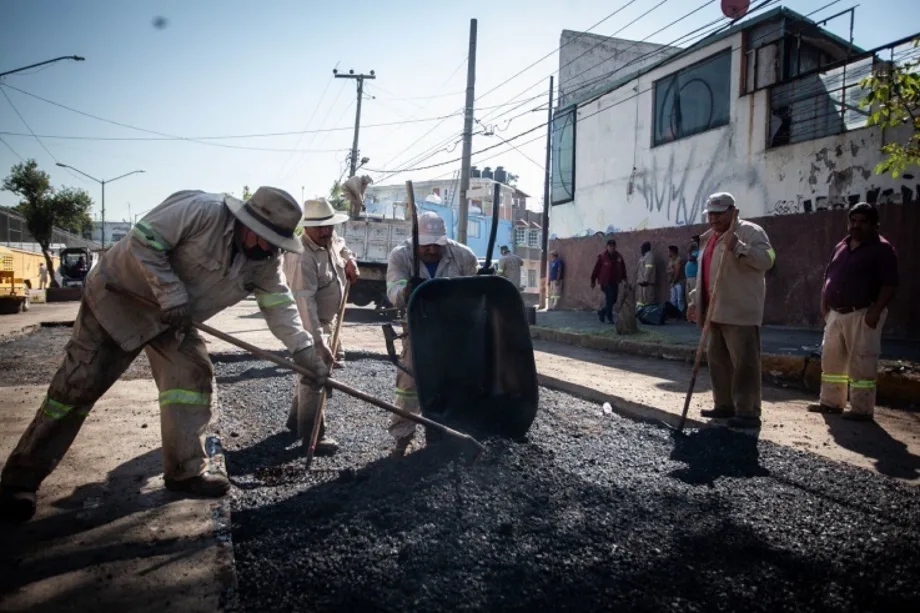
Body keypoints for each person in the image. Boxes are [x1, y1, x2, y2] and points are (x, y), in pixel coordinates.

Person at [0, 187, 329, 522]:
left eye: (278, 242)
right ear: (249, 225)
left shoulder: (265, 260)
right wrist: (171, 293)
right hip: (121, 300)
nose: (273, 248)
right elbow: (144, 239)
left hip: (173, 321)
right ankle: (18, 481)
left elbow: (279, 305)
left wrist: (304, 352)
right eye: (268, 239)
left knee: (192, 378)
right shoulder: (202, 212)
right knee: (76, 387)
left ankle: (185, 472)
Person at [385, 211, 478, 458]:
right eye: (426, 244)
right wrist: (407, 292)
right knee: (408, 386)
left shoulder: (463, 256)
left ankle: (448, 435)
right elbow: (393, 291)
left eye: (437, 244)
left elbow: (474, 294)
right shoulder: (400, 256)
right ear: (415, 240)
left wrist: (482, 282)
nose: (432, 250)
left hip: (453, 331)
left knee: (452, 384)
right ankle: (402, 438)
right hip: (417, 331)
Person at [688, 192, 776, 429]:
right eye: (710, 214)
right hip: (713, 312)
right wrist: (695, 301)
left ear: (732, 211)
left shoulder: (751, 232)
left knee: (744, 364)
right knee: (718, 362)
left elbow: (768, 260)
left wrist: (739, 246)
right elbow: (705, 275)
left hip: (739, 311)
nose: (713, 219)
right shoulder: (709, 239)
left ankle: (748, 411)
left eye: (718, 213)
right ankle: (724, 405)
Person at [808, 202, 898, 421]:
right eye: (853, 221)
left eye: (862, 222)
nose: (856, 226)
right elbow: (828, 275)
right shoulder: (842, 246)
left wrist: (875, 312)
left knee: (862, 362)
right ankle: (831, 403)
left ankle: (861, 409)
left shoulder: (882, 249)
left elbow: (889, 284)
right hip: (836, 314)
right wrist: (825, 305)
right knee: (831, 361)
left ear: (875, 225)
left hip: (863, 313)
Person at [283, 198, 360, 454]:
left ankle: (295, 422)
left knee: (309, 375)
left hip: (330, 320)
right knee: (316, 375)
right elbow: (305, 307)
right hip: (309, 325)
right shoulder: (301, 256)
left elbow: (342, 246)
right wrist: (319, 342)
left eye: (329, 226)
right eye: (320, 228)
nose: (326, 231)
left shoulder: (331, 239)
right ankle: (312, 437)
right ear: (306, 227)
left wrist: (350, 261)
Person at [590, 239, 627, 324]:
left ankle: (602, 312)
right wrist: (592, 281)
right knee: (610, 299)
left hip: (615, 281)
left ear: (615, 246)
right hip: (605, 282)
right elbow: (596, 270)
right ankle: (610, 318)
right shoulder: (602, 257)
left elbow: (623, 269)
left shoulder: (619, 257)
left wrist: (625, 280)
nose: (612, 247)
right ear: (606, 247)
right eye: (610, 246)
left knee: (614, 300)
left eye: (613, 246)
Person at [636, 241, 656, 308]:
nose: (641, 250)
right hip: (641, 283)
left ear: (646, 248)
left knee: (647, 301)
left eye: (642, 248)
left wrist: (645, 280)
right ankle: (640, 315)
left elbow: (648, 269)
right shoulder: (643, 257)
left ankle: (648, 316)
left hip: (647, 284)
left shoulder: (649, 256)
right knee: (640, 302)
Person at [667, 245, 685, 316]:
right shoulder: (671, 260)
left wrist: (674, 281)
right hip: (672, 283)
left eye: (669, 251)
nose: (668, 253)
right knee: (673, 300)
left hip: (678, 282)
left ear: (672, 251)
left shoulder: (678, 260)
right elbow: (668, 270)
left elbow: (677, 272)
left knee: (680, 299)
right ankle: (674, 314)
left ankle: (681, 314)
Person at [685, 236, 700, 313]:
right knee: (688, 297)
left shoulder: (699, 251)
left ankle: (696, 314)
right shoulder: (694, 251)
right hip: (689, 278)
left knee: (694, 297)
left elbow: (690, 259)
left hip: (694, 277)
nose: (691, 244)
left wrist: (689, 251)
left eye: (693, 242)